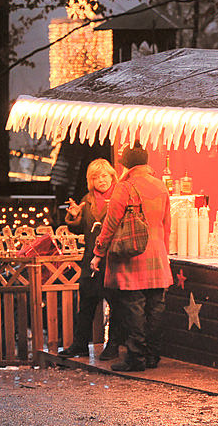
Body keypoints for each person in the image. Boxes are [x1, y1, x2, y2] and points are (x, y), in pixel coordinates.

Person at [91, 143, 172, 373]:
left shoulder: (124, 187)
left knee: (134, 306)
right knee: (156, 306)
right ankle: (152, 356)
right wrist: (164, 252)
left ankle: (135, 357)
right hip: (157, 254)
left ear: (126, 163)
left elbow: (110, 224)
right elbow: (167, 225)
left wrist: (99, 253)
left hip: (132, 255)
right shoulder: (160, 186)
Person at [59, 158, 124, 361]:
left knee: (115, 304)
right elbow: (80, 229)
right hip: (90, 261)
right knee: (86, 303)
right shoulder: (87, 200)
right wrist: (75, 216)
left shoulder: (120, 197)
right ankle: (80, 345)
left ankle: (113, 345)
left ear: (112, 176)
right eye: (96, 177)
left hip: (112, 259)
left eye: (104, 176)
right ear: (90, 181)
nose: (101, 180)